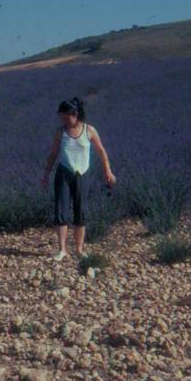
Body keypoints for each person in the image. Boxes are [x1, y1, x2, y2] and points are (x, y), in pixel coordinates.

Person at [40, 97, 117, 260]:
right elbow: (53, 154)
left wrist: (108, 171)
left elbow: (101, 151)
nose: (64, 121)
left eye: (66, 117)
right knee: (61, 210)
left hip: (82, 173)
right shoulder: (60, 132)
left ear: (75, 114)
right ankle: (62, 250)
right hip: (64, 174)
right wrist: (46, 174)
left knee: (81, 211)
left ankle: (80, 249)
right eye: (61, 118)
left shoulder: (89, 130)